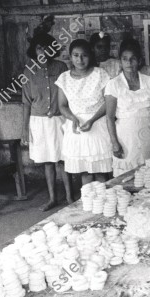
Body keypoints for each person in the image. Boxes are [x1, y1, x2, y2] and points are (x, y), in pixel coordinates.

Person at [21, 33, 72, 211]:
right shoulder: (28, 72)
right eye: (39, 48)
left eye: (46, 47)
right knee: (48, 162)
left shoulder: (61, 67)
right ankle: (52, 198)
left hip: (60, 119)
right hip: (39, 122)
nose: (42, 51)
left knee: (64, 159)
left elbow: (69, 95)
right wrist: (24, 130)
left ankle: (69, 197)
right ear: (34, 50)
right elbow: (26, 103)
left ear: (52, 49)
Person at [56, 39, 113, 185]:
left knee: (101, 172)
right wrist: (72, 118)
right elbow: (62, 105)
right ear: (70, 56)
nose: (80, 59)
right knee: (85, 173)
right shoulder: (64, 78)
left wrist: (92, 120)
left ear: (90, 55)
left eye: (84, 55)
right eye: (75, 55)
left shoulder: (100, 74)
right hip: (77, 128)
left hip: (98, 125)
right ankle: (87, 204)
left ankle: (104, 204)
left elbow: (109, 102)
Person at [106, 38, 150, 177]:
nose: (129, 63)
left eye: (133, 59)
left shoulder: (149, 81)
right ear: (120, 61)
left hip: (148, 133)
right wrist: (114, 143)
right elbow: (109, 117)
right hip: (125, 136)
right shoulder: (114, 84)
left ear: (140, 61)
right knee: (125, 177)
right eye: (125, 59)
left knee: (148, 174)